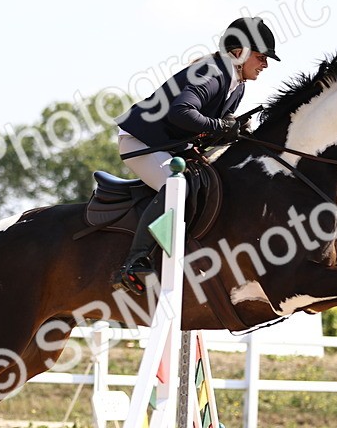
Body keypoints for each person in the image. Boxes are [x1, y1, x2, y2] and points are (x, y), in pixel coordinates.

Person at [110, 16, 280, 295]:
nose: (265, 65)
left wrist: (234, 129)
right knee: (177, 187)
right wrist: (220, 126)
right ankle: (133, 262)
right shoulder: (211, 73)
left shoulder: (237, 85)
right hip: (142, 142)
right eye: (261, 58)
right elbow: (181, 112)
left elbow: (210, 129)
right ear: (239, 53)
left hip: (172, 147)